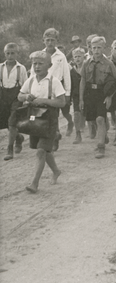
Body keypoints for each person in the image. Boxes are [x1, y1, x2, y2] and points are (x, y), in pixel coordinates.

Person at [18, 51, 65, 194]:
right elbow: (19, 96)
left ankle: (34, 183)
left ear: (49, 65)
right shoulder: (31, 80)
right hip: (34, 119)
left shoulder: (54, 81)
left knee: (40, 151)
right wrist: (26, 96)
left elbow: (62, 102)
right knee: (44, 150)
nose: (37, 67)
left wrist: (44, 100)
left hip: (49, 119)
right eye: (34, 64)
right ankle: (56, 171)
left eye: (40, 64)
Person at [79, 36, 116, 159]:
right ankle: (104, 135)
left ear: (104, 48)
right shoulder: (86, 63)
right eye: (94, 48)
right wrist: (81, 98)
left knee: (100, 119)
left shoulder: (109, 63)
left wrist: (110, 96)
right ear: (90, 49)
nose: (96, 50)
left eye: (99, 48)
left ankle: (101, 146)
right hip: (89, 93)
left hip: (102, 93)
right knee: (92, 119)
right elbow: (83, 80)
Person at [41, 28, 73, 145]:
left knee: (56, 114)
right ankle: (54, 135)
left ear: (56, 41)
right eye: (47, 40)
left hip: (57, 88)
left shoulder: (61, 56)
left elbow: (66, 74)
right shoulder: (41, 54)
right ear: (43, 40)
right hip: (44, 88)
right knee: (47, 114)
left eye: (52, 40)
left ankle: (56, 135)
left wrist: (67, 93)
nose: (50, 43)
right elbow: (34, 73)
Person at [1, 43, 28, 160]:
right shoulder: (0, 67)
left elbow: (26, 85)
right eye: (8, 53)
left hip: (16, 98)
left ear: (17, 54)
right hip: (2, 97)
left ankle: (10, 149)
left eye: (13, 53)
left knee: (12, 122)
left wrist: (26, 99)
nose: (10, 56)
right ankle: (18, 137)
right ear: (4, 53)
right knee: (6, 123)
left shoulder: (21, 68)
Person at [70, 47, 85, 144]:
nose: (78, 59)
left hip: (87, 94)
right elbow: (70, 84)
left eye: (79, 56)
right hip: (76, 95)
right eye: (75, 57)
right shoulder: (72, 71)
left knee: (88, 114)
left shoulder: (87, 68)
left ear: (84, 57)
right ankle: (78, 134)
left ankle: (94, 128)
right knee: (76, 114)